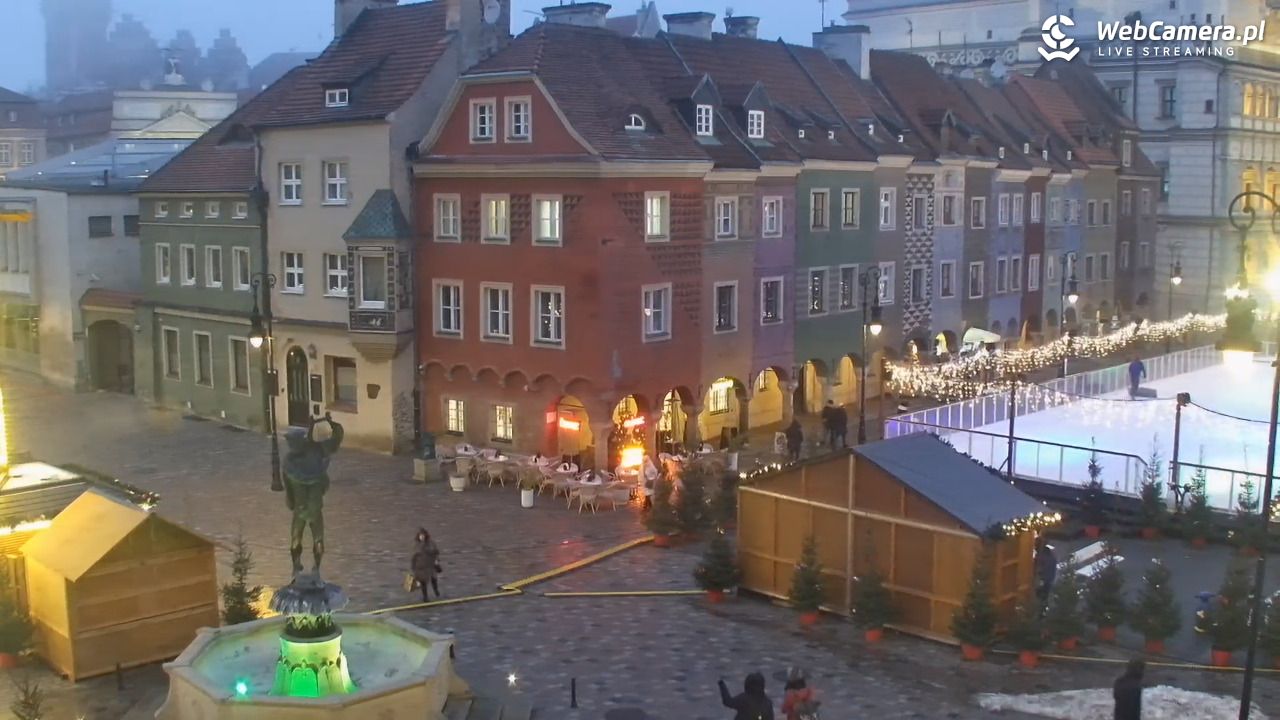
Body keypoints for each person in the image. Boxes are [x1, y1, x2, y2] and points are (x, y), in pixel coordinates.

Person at [410, 528, 441, 602]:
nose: (422, 537)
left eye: (423, 535)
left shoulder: (431, 543)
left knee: (434, 579)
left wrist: (436, 560)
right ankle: (425, 597)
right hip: (420, 566)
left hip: (430, 564)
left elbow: (436, 552)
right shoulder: (416, 545)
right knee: (423, 582)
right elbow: (413, 556)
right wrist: (413, 567)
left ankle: (436, 590)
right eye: (420, 535)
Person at [1034, 537, 1057, 609]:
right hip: (1049, 578)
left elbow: (1040, 569)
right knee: (1045, 595)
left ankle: (1041, 608)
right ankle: (1043, 607)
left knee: (1041, 595)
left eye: (1035, 545)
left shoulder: (1042, 556)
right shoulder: (1049, 553)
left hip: (1045, 579)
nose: (1034, 547)